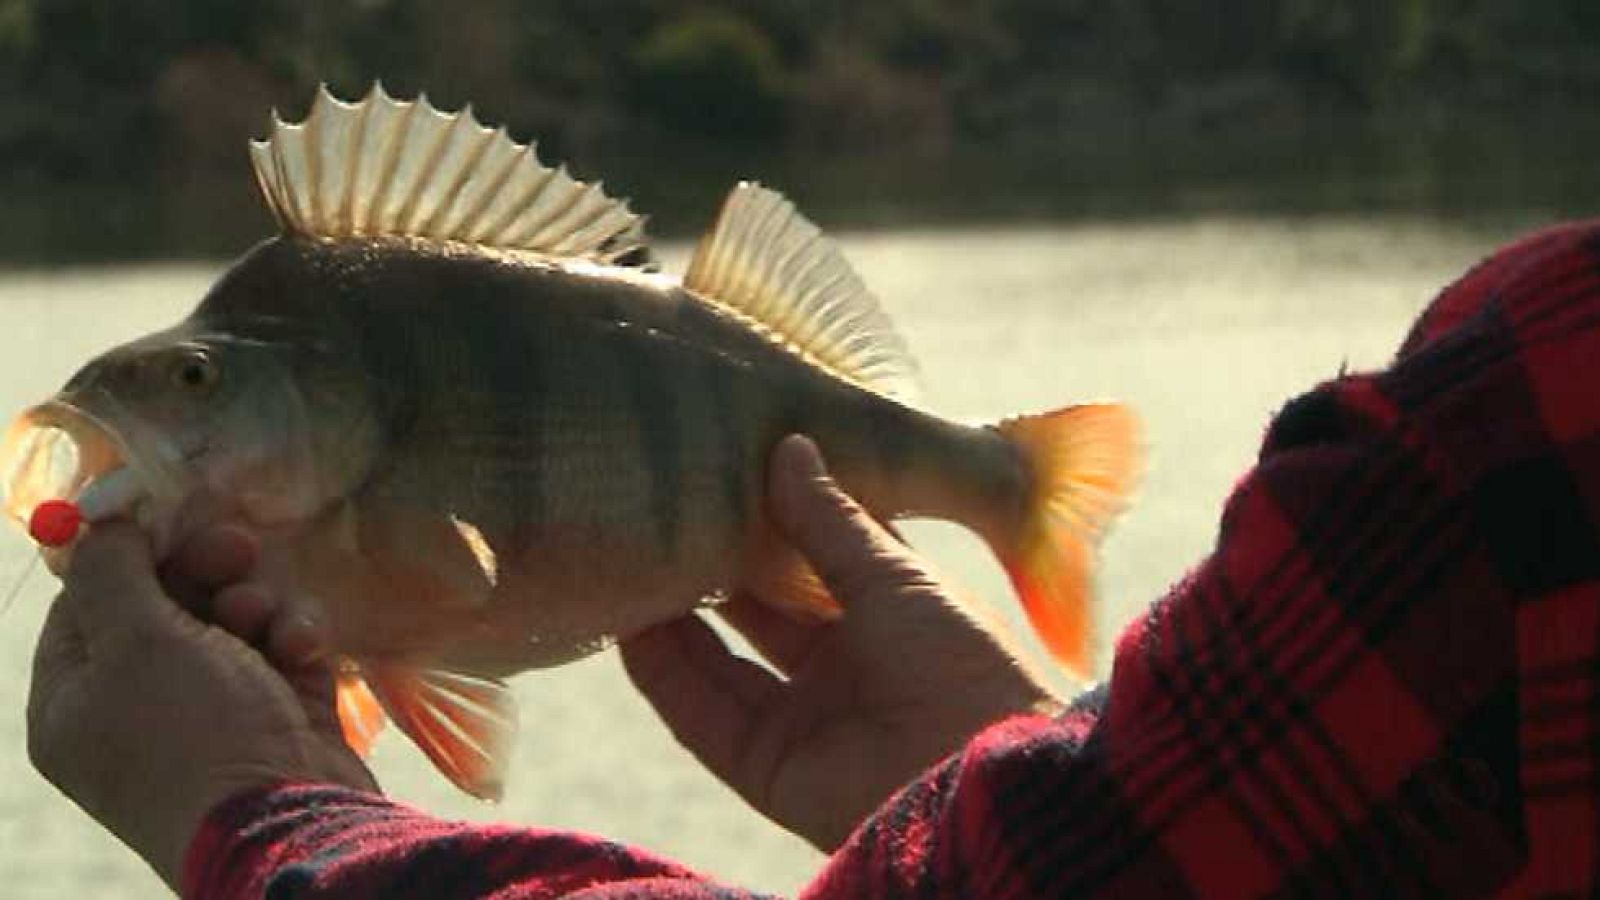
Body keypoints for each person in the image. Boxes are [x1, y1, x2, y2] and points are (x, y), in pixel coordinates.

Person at [28, 218, 1600, 898]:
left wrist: (257, 818)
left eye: (196, 383)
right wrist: (996, 779)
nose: (156, 406)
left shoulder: (1514, 431)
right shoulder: (1526, 394)